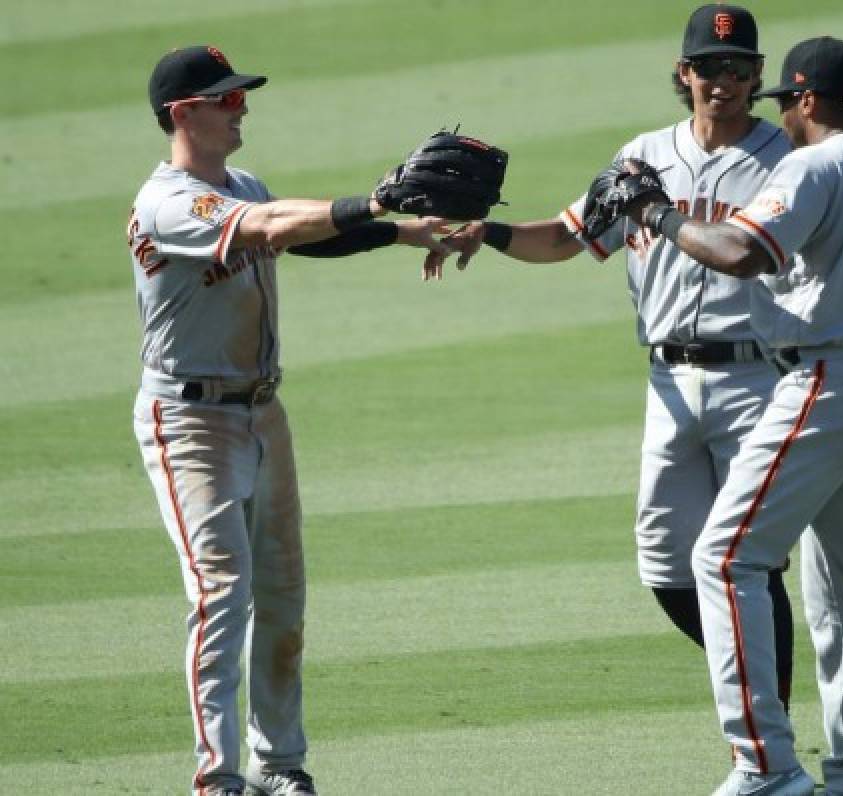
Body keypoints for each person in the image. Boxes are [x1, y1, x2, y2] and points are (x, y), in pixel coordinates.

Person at [445, 4, 798, 708]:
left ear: (758, 75)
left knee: (748, 563)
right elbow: (567, 237)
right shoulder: (646, 156)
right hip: (668, 383)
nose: (721, 81)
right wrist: (489, 233)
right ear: (683, 72)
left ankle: (769, 733)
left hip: (757, 379)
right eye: (707, 67)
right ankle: (754, 687)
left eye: (736, 68)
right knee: (666, 566)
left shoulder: (787, 162)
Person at [615, 36, 843, 796]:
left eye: (783, 104)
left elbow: (738, 250)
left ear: (802, 99)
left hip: (829, 378)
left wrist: (658, 216)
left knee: (724, 558)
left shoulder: (816, 164)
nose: (781, 121)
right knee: (840, 588)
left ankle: (766, 767)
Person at [126, 45, 454, 796]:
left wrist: (402, 228)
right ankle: (219, 780)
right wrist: (376, 200)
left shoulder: (241, 184)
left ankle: (280, 767)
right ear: (184, 114)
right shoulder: (166, 202)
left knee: (281, 593)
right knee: (221, 593)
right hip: (190, 423)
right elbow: (269, 229)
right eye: (227, 99)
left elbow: (299, 232)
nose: (242, 107)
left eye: (241, 96)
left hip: (263, 413)